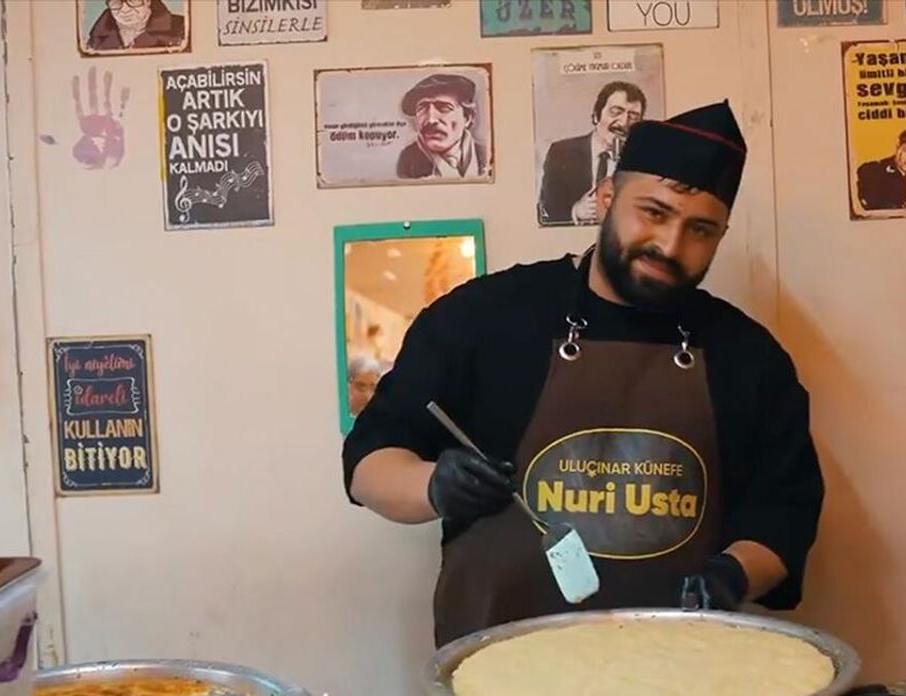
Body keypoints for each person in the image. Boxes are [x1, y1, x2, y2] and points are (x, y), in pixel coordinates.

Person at [343, 100, 825, 648]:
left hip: (682, 665)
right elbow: (369, 462)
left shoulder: (749, 357)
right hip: (497, 664)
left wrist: (733, 575)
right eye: (654, 212)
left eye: (700, 230)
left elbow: (783, 512)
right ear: (606, 197)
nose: (670, 245)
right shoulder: (482, 319)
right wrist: (434, 486)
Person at [538, 81, 647, 226]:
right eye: (616, 112)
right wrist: (576, 212)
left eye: (633, 117)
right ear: (596, 116)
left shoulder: (644, 161)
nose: (624, 122)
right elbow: (545, 211)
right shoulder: (561, 153)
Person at [396, 74, 488, 180]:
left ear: (467, 118)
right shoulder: (406, 164)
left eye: (444, 108)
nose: (431, 119)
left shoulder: (487, 156)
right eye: (422, 108)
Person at [85, 0, 186, 52]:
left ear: (147, 1)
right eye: (116, 2)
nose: (125, 10)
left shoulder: (181, 29)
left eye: (133, 1)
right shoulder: (96, 41)